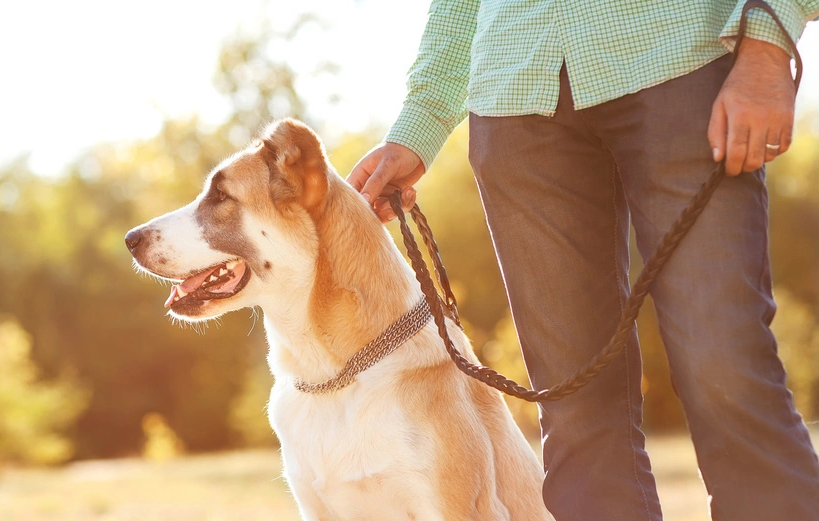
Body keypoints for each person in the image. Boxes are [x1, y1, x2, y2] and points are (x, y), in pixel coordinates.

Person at [347, 1, 819, 519]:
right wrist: (421, 122)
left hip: (679, 59)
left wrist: (768, 44)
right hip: (515, 96)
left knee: (725, 369)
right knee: (575, 409)